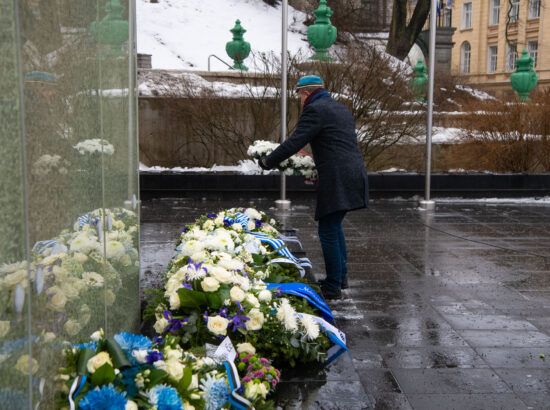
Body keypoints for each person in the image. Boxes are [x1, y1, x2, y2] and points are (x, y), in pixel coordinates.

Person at [259, 75, 369, 299]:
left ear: (306, 93)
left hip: (337, 176)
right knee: (334, 224)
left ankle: (332, 286)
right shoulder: (340, 108)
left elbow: (294, 142)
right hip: (354, 172)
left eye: (299, 94)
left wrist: (268, 161)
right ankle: (340, 277)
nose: (299, 99)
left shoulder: (315, 110)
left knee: (327, 229)